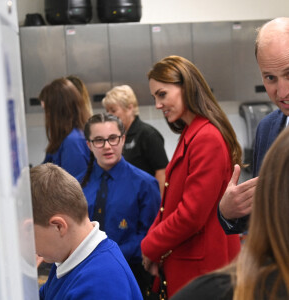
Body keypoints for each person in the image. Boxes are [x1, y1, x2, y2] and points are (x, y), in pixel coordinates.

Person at [141, 55, 242, 298]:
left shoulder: (206, 137)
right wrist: (155, 246)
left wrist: (150, 246)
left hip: (203, 268)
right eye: (154, 97)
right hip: (190, 263)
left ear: (186, 86)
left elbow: (191, 215)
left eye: (162, 94)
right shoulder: (192, 133)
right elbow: (169, 206)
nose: (157, 104)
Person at [172, 127, 289, 300]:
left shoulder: (211, 291)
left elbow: (190, 215)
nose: (282, 97)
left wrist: (149, 248)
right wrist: (228, 212)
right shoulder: (268, 127)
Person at [30, 163, 143, 300]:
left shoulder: (100, 286)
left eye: (32, 235)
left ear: (58, 226)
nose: (32, 248)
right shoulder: (65, 257)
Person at [218, 17, 289, 234]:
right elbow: (262, 217)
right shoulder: (267, 129)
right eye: (270, 78)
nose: (282, 92)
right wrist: (228, 212)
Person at [79, 113, 161, 298]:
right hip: (87, 276)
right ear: (89, 145)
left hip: (131, 275)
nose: (107, 146)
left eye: (113, 138)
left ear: (123, 139)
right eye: (99, 140)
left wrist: (109, 255)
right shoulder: (77, 186)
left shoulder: (145, 184)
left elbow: (151, 234)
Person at [102, 85, 169, 196]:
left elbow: (162, 172)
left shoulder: (147, 134)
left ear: (129, 108)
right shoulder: (116, 137)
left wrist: (158, 205)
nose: (109, 115)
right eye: (107, 111)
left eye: (113, 110)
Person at [39, 78, 91, 179]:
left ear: (58, 111)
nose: (46, 116)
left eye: (47, 111)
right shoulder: (64, 139)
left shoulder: (73, 142)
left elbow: (74, 188)